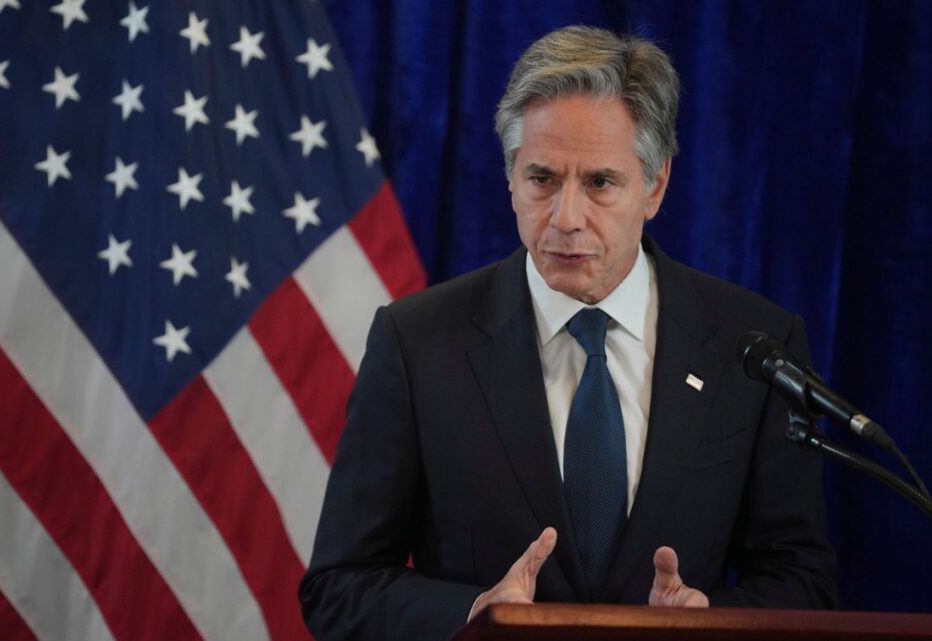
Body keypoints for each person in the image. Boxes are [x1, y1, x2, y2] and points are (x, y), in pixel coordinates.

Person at [299, 25, 838, 641]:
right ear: (510, 177)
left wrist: (709, 622)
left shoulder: (754, 348)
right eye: (542, 179)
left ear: (656, 185)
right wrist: (476, 614)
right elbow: (338, 586)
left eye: (600, 183)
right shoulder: (418, 343)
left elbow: (803, 579)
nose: (566, 218)